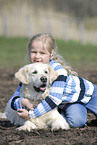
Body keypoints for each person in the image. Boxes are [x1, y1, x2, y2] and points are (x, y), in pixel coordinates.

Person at [10, 33, 97, 128]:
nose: (37, 56)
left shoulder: (58, 71)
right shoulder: (31, 72)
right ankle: (60, 114)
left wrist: (31, 115)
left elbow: (54, 99)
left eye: (42, 53)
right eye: (34, 52)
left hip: (89, 94)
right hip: (66, 103)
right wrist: (22, 102)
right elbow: (14, 98)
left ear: (51, 55)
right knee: (76, 122)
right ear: (29, 52)